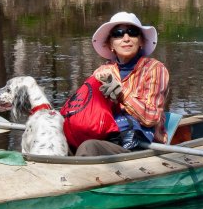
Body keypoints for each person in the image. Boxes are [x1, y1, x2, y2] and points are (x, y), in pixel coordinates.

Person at [73, 11, 170, 156]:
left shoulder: (155, 68)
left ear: (141, 41)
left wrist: (122, 95)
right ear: (110, 44)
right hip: (108, 137)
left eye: (132, 32)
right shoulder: (102, 71)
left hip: (141, 145)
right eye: (118, 33)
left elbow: (151, 117)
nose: (126, 38)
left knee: (88, 148)